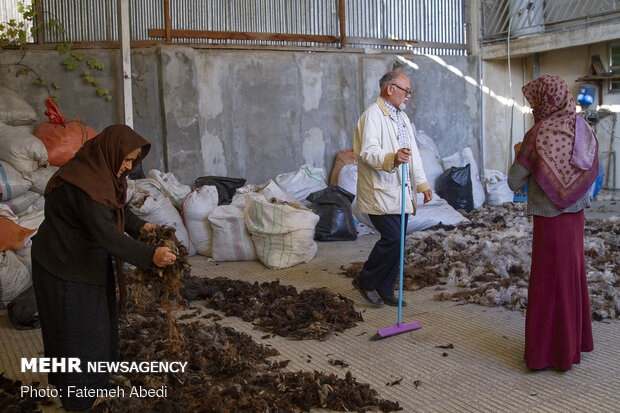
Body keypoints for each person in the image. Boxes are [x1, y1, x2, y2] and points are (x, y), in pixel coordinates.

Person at [31, 124, 177, 410]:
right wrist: (151, 256)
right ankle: (77, 399)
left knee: (99, 328)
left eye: (133, 161)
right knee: (76, 333)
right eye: (125, 160)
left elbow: (115, 210)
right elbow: (108, 235)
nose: (128, 166)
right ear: (110, 151)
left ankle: (92, 387)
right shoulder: (83, 184)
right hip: (62, 265)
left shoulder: (101, 174)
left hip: (84, 259)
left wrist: (142, 226)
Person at [508, 74, 599, 371]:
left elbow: (513, 181)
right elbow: (592, 170)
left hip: (549, 218)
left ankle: (548, 354)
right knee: (572, 276)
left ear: (544, 101)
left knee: (548, 282)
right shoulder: (582, 127)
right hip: (575, 215)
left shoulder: (538, 134)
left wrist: (522, 151)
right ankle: (575, 344)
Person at [352, 71, 432, 307]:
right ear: (390, 89)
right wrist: (392, 158)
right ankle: (366, 280)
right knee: (393, 238)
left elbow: (412, 154)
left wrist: (422, 184)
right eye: (406, 91)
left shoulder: (402, 118)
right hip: (380, 191)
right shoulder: (372, 116)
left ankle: (385, 288)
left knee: (399, 243)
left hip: (401, 191)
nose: (409, 95)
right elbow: (367, 152)